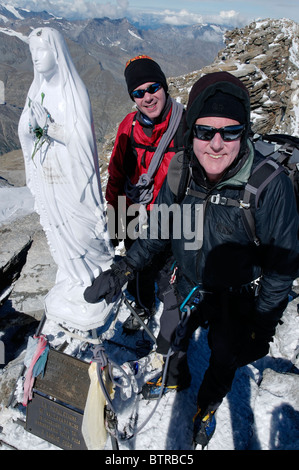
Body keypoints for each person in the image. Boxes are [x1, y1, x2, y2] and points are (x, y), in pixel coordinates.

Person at [84, 71, 299, 447]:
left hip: (237, 296)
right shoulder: (181, 171)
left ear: (244, 132)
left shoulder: (268, 185)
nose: (216, 144)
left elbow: (281, 269)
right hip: (183, 280)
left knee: (222, 360)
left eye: (230, 132)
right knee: (173, 338)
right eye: (204, 131)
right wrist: (124, 268)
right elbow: (159, 229)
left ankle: (206, 407)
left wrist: (261, 328)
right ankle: (173, 374)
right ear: (192, 132)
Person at [18, 27, 114, 331]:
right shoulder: (36, 89)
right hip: (49, 174)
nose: (36, 59)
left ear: (57, 54)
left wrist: (49, 129)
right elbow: (26, 126)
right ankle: (72, 273)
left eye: (42, 51)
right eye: (32, 53)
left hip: (73, 179)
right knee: (60, 229)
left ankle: (92, 270)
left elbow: (81, 139)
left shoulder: (74, 91)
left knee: (81, 229)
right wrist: (30, 127)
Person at [105, 55, 184, 333]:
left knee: (166, 270)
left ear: (165, 87)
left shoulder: (185, 126)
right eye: (138, 93)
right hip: (132, 207)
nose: (147, 97)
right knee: (134, 261)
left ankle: (175, 313)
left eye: (153, 88)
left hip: (171, 215)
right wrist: (114, 221)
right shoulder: (128, 125)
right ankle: (143, 304)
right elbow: (117, 173)